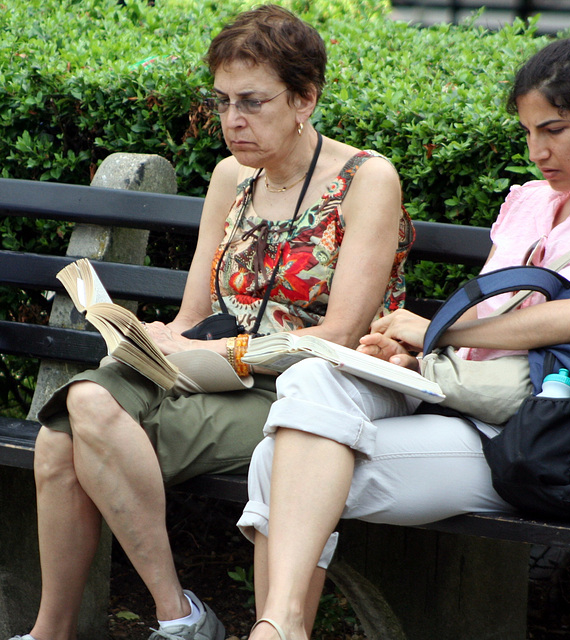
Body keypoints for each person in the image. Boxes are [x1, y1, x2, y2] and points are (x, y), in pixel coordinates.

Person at [9, 6, 412, 640]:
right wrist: (150, 336)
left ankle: (176, 619)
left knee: (72, 426)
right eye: (222, 101)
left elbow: (339, 335)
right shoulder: (232, 176)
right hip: (207, 365)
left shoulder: (366, 178)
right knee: (72, 418)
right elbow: (194, 315)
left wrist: (232, 351)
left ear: (306, 97)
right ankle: (82, 628)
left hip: (301, 388)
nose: (232, 121)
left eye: (252, 102)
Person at [237, 36, 570, 640]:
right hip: (453, 389)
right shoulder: (531, 202)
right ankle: (280, 626)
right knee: (310, 379)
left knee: (274, 460)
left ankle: (276, 627)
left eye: (555, 131)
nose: (537, 151)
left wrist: (437, 331)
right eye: (527, 132)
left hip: (533, 432)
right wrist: (415, 350)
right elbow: (495, 314)